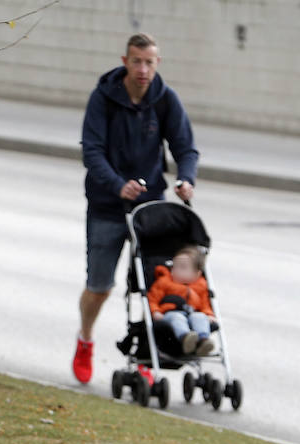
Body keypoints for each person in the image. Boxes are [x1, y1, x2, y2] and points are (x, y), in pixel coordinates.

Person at [73, 32, 199, 383]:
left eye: (150, 62)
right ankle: (85, 339)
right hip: (107, 205)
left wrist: (186, 178)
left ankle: (145, 354)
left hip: (151, 210)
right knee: (99, 285)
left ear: (157, 63)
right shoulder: (104, 98)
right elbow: (92, 152)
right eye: (137, 61)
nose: (143, 69)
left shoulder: (165, 100)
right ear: (125, 61)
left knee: (151, 285)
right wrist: (118, 185)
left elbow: (185, 148)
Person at [148, 245, 215, 356]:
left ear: (197, 273)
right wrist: (155, 311)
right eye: (174, 267)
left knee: (200, 317)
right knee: (177, 317)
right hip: (170, 314)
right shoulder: (164, 281)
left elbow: (205, 304)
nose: (176, 271)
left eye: (183, 268)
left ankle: (203, 341)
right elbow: (152, 299)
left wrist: (209, 314)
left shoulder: (201, 285)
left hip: (192, 314)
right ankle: (186, 338)